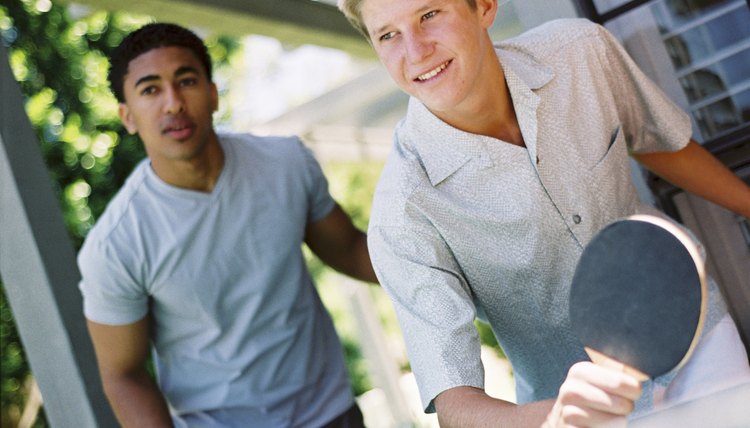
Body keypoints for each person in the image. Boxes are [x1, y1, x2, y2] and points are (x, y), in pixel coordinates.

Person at [337, 0, 750, 426]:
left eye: (429, 15)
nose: (416, 50)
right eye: (389, 35)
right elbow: (454, 404)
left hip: (694, 333)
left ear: (484, 7)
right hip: (573, 414)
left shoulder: (580, 52)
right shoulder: (403, 214)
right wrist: (553, 417)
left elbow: (659, 142)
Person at [78, 22, 378, 428]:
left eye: (186, 81)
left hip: (331, 412)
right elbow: (122, 374)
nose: (173, 103)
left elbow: (351, 251)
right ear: (127, 116)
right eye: (150, 90)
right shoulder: (116, 245)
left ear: (213, 94)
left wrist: (457, 264)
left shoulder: (286, 163)